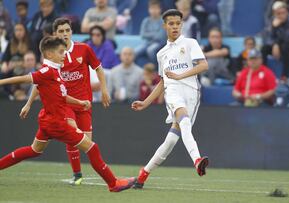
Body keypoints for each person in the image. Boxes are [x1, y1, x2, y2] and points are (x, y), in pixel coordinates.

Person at [0, 36, 135, 192]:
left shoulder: (56, 71)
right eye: (61, 52)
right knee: (92, 148)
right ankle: (113, 184)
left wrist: (79, 102)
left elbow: (61, 96)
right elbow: (22, 78)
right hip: (57, 123)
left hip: (48, 120)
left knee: (34, 150)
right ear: (49, 54)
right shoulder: (47, 71)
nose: (65, 54)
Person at [21, 18, 111, 185]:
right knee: (72, 132)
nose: (64, 34)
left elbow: (98, 68)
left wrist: (104, 90)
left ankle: (97, 176)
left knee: (87, 142)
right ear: (55, 34)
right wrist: (29, 103)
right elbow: (40, 81)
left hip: (83, 103)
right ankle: (77, 175)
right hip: (65, 105)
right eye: (60, 31)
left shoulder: (83, 49)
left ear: (71, 32)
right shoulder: (54, 56)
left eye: (67, 30)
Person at [131, 9, 209, 189]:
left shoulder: (190, 43)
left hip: (192, 93)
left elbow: (204, 65)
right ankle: (197, 160)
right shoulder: (161, 53)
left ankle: (143, 175)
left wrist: (181, 76)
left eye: (178, 23)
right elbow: (163, 82)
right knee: (184, 121)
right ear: (164, 26)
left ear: (182, 25)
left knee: (171, 140)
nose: (175, 27)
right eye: (171, 24)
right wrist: (146, 102)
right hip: (173, 92)